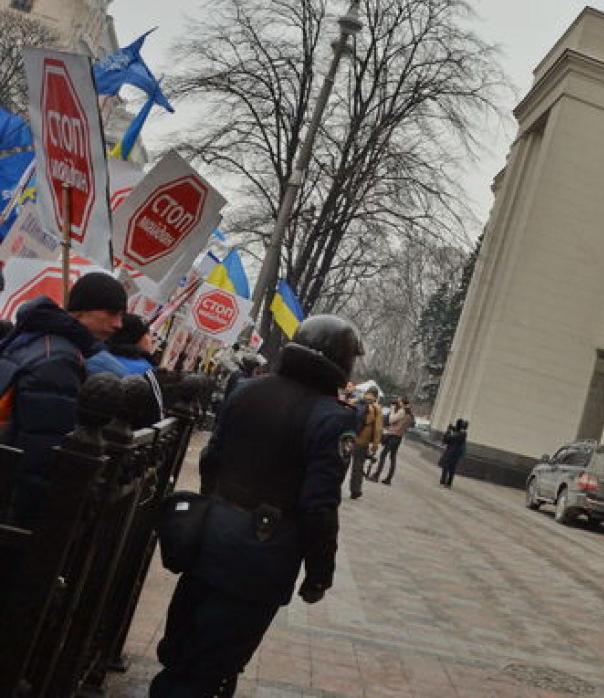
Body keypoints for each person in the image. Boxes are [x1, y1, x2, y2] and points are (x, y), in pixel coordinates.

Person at [149, 314, 364, 698]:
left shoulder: (246, 391)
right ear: (340, 362)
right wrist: (319, 574)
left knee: (181, 648)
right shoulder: (333, 419)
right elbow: (319, 506)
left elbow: (210, 461)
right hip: (262, 557)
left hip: (208, 539)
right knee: (213, 665)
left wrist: (219, 510)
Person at [0, 271, 127, 526]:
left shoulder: (36, 338)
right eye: (111, 313)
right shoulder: (60, 360)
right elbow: (39, 458)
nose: (118, 325)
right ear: (81, 311)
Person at [87, 312, 165, 425]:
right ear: (135, 337)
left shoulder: (94, 357)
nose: (152, 339)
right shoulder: (148, 372)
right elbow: (155, 418)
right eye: (147, 334)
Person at [370, 396, 413, 485]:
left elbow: (391, 419)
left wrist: (393, 410)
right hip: (399, 437)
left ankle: (376, 475)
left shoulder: (402, 411)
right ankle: (389, 478)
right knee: (393, 457)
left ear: (402, 402)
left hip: (393, 435)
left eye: (399, 401)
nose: (398, 402)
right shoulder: (409, 414)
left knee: (383, 455)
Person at [349, 386, 382, 499]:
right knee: (358, 466)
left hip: (349, 437)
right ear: (376, 396)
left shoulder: (355, 401)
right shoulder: (376, 408)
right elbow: (378, 429)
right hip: (362, 440)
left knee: (343, 462)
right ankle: (355, 491)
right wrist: (375, 445)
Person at [438, 418, 468, 486]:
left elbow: (447, 439)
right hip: (456, 453)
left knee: (447, 466)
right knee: (452, 468)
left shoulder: (459, 434)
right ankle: (448, 482)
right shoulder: (463, 434)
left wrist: (448, 431)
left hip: (451, 452)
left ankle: (444, 480)